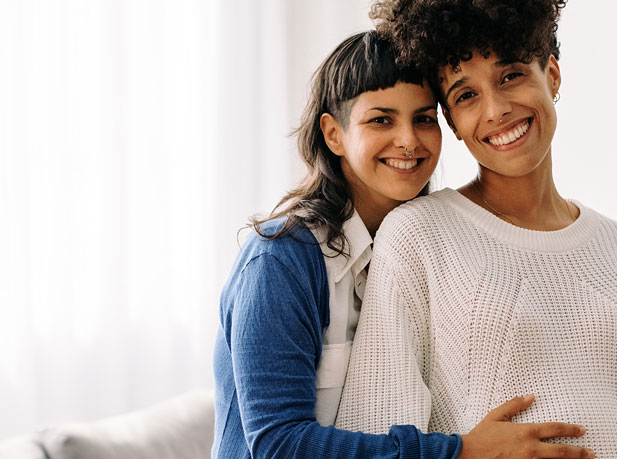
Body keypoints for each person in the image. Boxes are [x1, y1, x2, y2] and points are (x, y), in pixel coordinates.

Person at [335, 2, 617, 459]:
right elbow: (375, 430)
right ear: (453, 123)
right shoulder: (417, 235)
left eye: (511, 76)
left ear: (553, 75)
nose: (497, 110)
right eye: (466, 95)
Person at [212, 30, 594, 459]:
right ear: (333, 134)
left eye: (424, 118)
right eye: (381, 120)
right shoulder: (281, 261)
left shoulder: (427, 248)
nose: (408, 140)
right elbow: (278, 446)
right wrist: (460, 452)